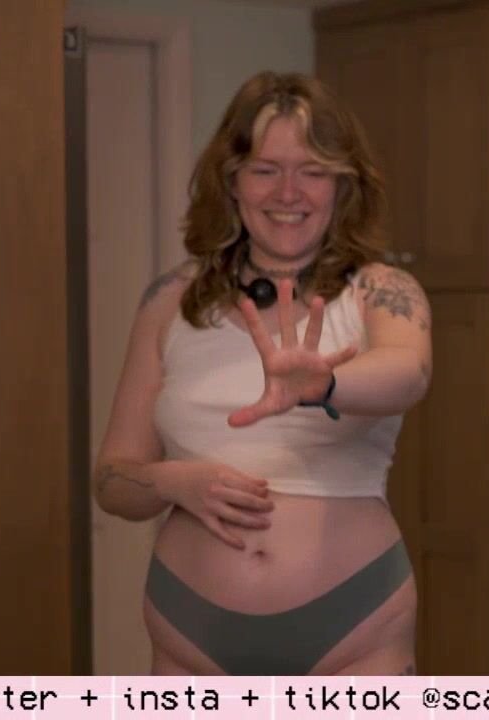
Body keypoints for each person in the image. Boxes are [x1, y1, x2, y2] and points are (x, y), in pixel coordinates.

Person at [91, 71, 432, 676]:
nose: (288, 192)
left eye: (313, 171)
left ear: (343, 185)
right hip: (190, 632)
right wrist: (172, 482)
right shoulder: (169, 301)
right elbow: (112, 480)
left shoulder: (382, 290)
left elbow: (408, 373)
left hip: (356, 628)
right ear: (231, 181)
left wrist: (325, 385)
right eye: (266, 169)